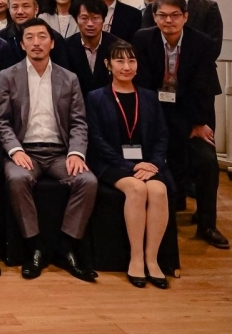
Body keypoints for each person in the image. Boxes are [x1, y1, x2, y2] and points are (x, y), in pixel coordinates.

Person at [0, 18, 97, 282]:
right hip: (24, 150)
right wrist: (14, 149)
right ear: (21, 43)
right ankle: (35, 246)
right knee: (17, 179)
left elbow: (78, 122)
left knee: (87, 181)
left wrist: (76, 152)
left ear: (52, 43)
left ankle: (67, 245)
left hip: (59, 152)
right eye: (30, 37)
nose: (36, 42)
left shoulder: (69, 78)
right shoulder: (9, 75)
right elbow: (2, 121)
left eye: (42, 37)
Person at [132, 0, 227, 249]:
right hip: (153, 113)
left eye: (175, 15)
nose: (169, 20)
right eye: (162, 15)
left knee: (207, 161)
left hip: (191, 114)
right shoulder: (142, 39)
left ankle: (207, 224)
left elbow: (202, 89)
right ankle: (164, 219)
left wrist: (196, 124)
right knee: (162, 157)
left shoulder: (202, 43)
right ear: (154, 17)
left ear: (185, 17)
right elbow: (142, 84)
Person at [86, 41, 170, 288]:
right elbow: (96, 139)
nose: (126, 67)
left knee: (158, 190)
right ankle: (135, 258)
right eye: (120, 61)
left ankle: (152, 260)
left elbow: (162, 135)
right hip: (111, 163)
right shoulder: (96, 97)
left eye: (131, 61)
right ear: (108, 65)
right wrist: (129, 166)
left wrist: (153, 164)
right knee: (136, 189)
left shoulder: (149, 96)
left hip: (147, 163)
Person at [0, 0, 70, 70]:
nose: (20, 11)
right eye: (15, 7)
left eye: (26, 6)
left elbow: (62, 75)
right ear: (9, 10)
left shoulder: (53, 37)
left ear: (36, 9)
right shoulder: (0, 39)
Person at [65, 0, 118, 98]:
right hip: (77, 105)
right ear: (76, 20)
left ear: (103, 19)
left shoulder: (116, 46)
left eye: (95, 18)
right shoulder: (66, 46)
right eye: (84, 18)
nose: (90, 24)